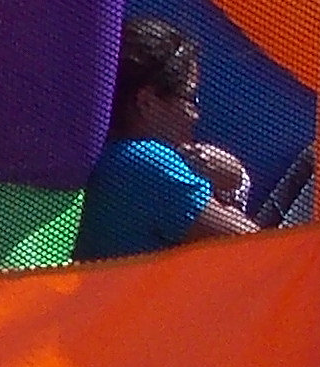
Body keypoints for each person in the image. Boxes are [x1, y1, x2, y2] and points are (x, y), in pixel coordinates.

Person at [76, 15, 264, 259]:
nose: (196, 115)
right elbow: (262, 251)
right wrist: (238, 182)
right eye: (190, 98)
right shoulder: (149, 162)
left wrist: (233, 183)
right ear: (147, 102)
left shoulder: (104, 152)